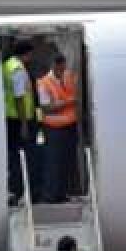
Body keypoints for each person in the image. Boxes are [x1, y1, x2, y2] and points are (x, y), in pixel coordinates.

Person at [37, 52, 79, 203]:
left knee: (66, 162)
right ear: (53, 66)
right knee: (53, 163)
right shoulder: (44, 83)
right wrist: (68, 102)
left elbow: (74, 92)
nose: (62, 71)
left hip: (70, 126)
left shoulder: (68, 76)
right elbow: (46, 108)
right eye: (59, 68)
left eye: (63, 67)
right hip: (54, 128)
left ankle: (62, 194)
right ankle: (50, 196)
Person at [3, 40, 37, 202]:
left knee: (13, 155)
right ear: (26, 54)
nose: (32, 57)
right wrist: (24, 123)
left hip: (10, 117)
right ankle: (19, 191)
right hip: (18, 119)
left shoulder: (7, 65)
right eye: (31, 54)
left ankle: (15, 190)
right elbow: (19, 97)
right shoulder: (17, 69)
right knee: (20, 157)